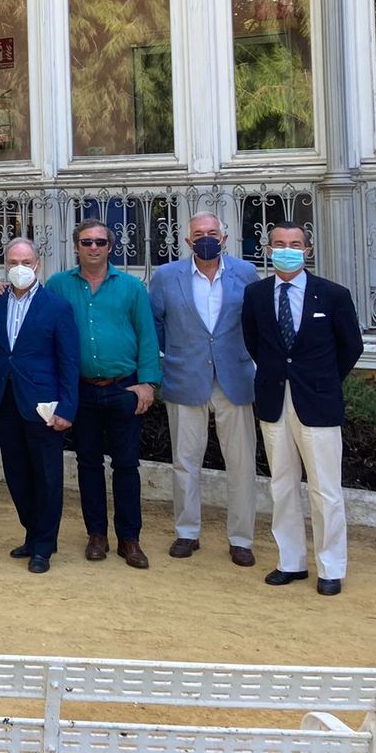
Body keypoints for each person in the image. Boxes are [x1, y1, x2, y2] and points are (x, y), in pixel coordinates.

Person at [241, 223, 363, 596]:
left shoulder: (333, 295)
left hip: (318, 401)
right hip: (274, 399)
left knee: (325, 489)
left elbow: (351, 347)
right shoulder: (256, 294)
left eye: (294, 244)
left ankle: (330, 567)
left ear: (308, 250)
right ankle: (290, 561)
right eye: (279, 244)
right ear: (268, 249)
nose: (286, 250)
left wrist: (321, 379)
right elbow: (254, 343)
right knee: (282, 484)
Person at [46, 220, 161, 570]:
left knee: (126, 465)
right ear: (76, 245)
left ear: (111, 247)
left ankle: (130, 538)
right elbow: (43, 329)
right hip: (81, 390)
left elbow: (147, 335)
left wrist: (148, 383)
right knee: (88, 464)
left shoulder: (130, 287)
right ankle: (96, 534)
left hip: (124, 388)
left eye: (100, 242)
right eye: (86, 242)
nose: (93, 247)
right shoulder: (58, 285)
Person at [149, 213, 260, 567]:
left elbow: (255, 323)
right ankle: (187, 533)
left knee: (241, 463)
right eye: (199, 234)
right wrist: (175, 357)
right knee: (184, 462)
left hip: (235, 378)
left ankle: (241, 539)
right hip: (185, 377)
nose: (206, 238)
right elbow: (156, 325)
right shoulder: (166, 277)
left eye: (212, 233)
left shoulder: (246, 273)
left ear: (225, 239)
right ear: (187, 241)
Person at [0, 240, 79, 574]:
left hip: (43, 404)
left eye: (26, 260)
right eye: (13, 260)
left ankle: (44, 546)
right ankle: (31, 532)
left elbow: (69, 361)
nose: (19, 266)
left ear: (37, 264)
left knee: (47, 475)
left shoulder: (57, 307)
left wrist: (67, 407)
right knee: (16, 473)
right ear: (5, 264)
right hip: (5, 400)